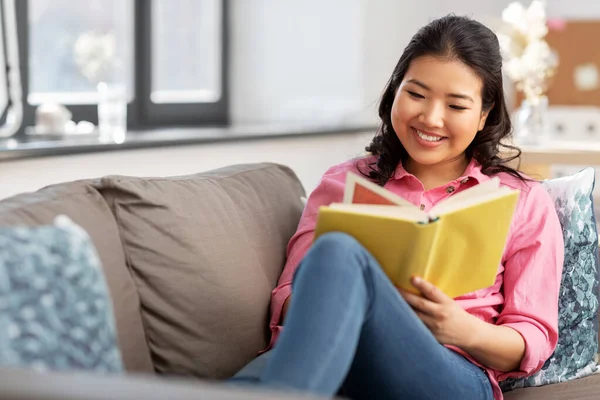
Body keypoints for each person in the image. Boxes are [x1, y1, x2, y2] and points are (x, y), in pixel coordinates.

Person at [230, 14, 564, 400]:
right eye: (417, 95)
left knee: (339, 251)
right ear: (396, 90)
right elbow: (287, 297)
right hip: (336, 350)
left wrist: (460, 328)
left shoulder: (522, 201)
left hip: (452, 373)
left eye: (456, 106)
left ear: (484, 115)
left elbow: (533, 339)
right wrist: (355, 295)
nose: (431, 118)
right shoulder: (345, 183)